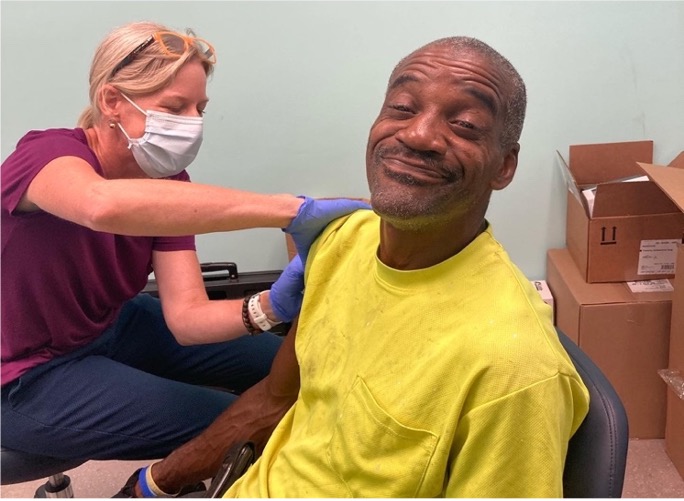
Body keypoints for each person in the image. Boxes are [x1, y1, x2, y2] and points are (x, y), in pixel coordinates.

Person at [116, 35, 590, 498]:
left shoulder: (514, 371)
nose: (419, 134)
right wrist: (155, 482)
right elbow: (275, 399)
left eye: (464, 124)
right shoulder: (343, 242)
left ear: (504, 166)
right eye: (403, 107)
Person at [0, 20, 368, 471]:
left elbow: (188, 319)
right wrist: (291, 209)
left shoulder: (168, 182)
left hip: (110, 325)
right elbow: (100, 205)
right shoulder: (45, 155)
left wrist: (270, 305)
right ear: (112, 101)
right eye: (175, 107)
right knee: (237, 424)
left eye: (200, 109)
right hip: (23, 374)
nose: (192, 124)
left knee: (294, 368)